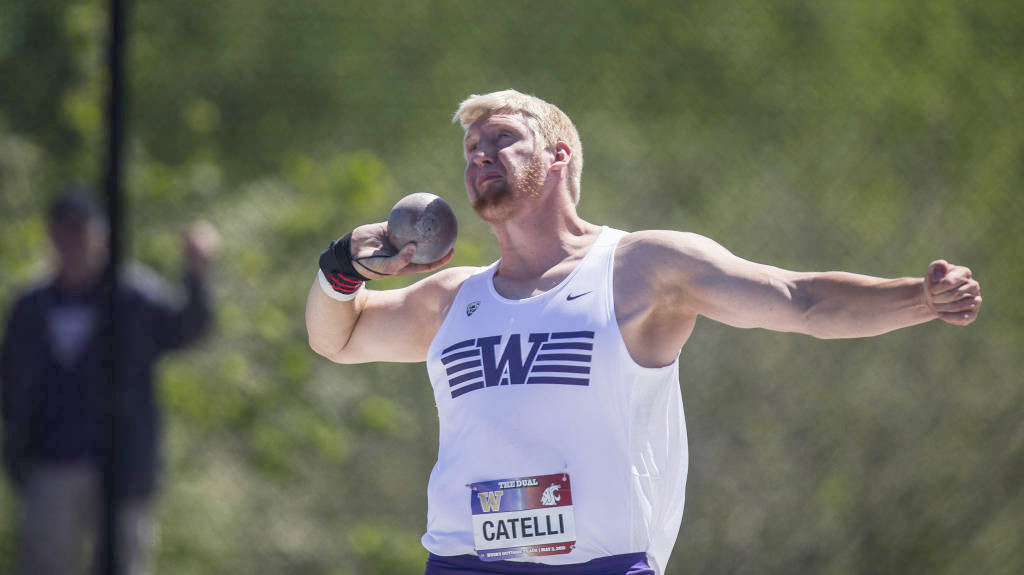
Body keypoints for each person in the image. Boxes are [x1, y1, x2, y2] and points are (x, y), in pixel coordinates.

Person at [305, 90, 981, 575]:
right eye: (471, 149)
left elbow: (799, 298)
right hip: (464, 562)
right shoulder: (455, 298)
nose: (481, 155)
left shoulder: (640, 269)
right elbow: (338, 337)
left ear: (559, 154)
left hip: (601, 565)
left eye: (502, 139)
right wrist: (342, 267)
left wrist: (917, 298)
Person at [1, 189, 221, 575]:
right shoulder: (31, 305)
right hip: (50, 461)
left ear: (100, 235)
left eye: (81, 230)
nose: (73, 242)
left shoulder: (133, 295)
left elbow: (187, 329)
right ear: (51, 237)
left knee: (122, 563)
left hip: (122, 464)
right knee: (44, 564)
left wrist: (197, 272)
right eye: (63, 232)